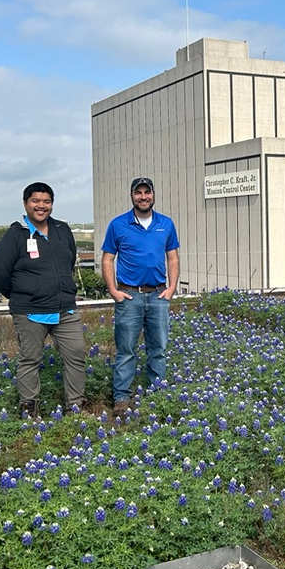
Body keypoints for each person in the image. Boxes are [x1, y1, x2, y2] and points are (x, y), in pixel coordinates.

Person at [0, 182, 85, 418]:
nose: (41, 206)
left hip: (65, 308)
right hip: (30, 310)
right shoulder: (15, 234)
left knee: (75, 355)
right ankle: (30, 409)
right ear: (26, 203)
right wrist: (24, 295)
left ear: (52, 204)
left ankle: (75, 407)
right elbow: (0, 274)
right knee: (30, 359)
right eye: (36, 201)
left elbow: (69, 261)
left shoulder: (62, 230)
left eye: (46, 201)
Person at [101, 177, 180, 416]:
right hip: (129, 295)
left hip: (158, 294)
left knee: (159, 348)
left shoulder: (165, 224)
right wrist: (113, 290)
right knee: (126, 349)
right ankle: (122, 397)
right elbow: (107, 259)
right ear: (132, 196)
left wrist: (172, 288)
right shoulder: (118, 224)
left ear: (153, 194)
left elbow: (173, 257)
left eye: (147, 192)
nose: (143, 196)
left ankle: (156, 393)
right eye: (138, 193)